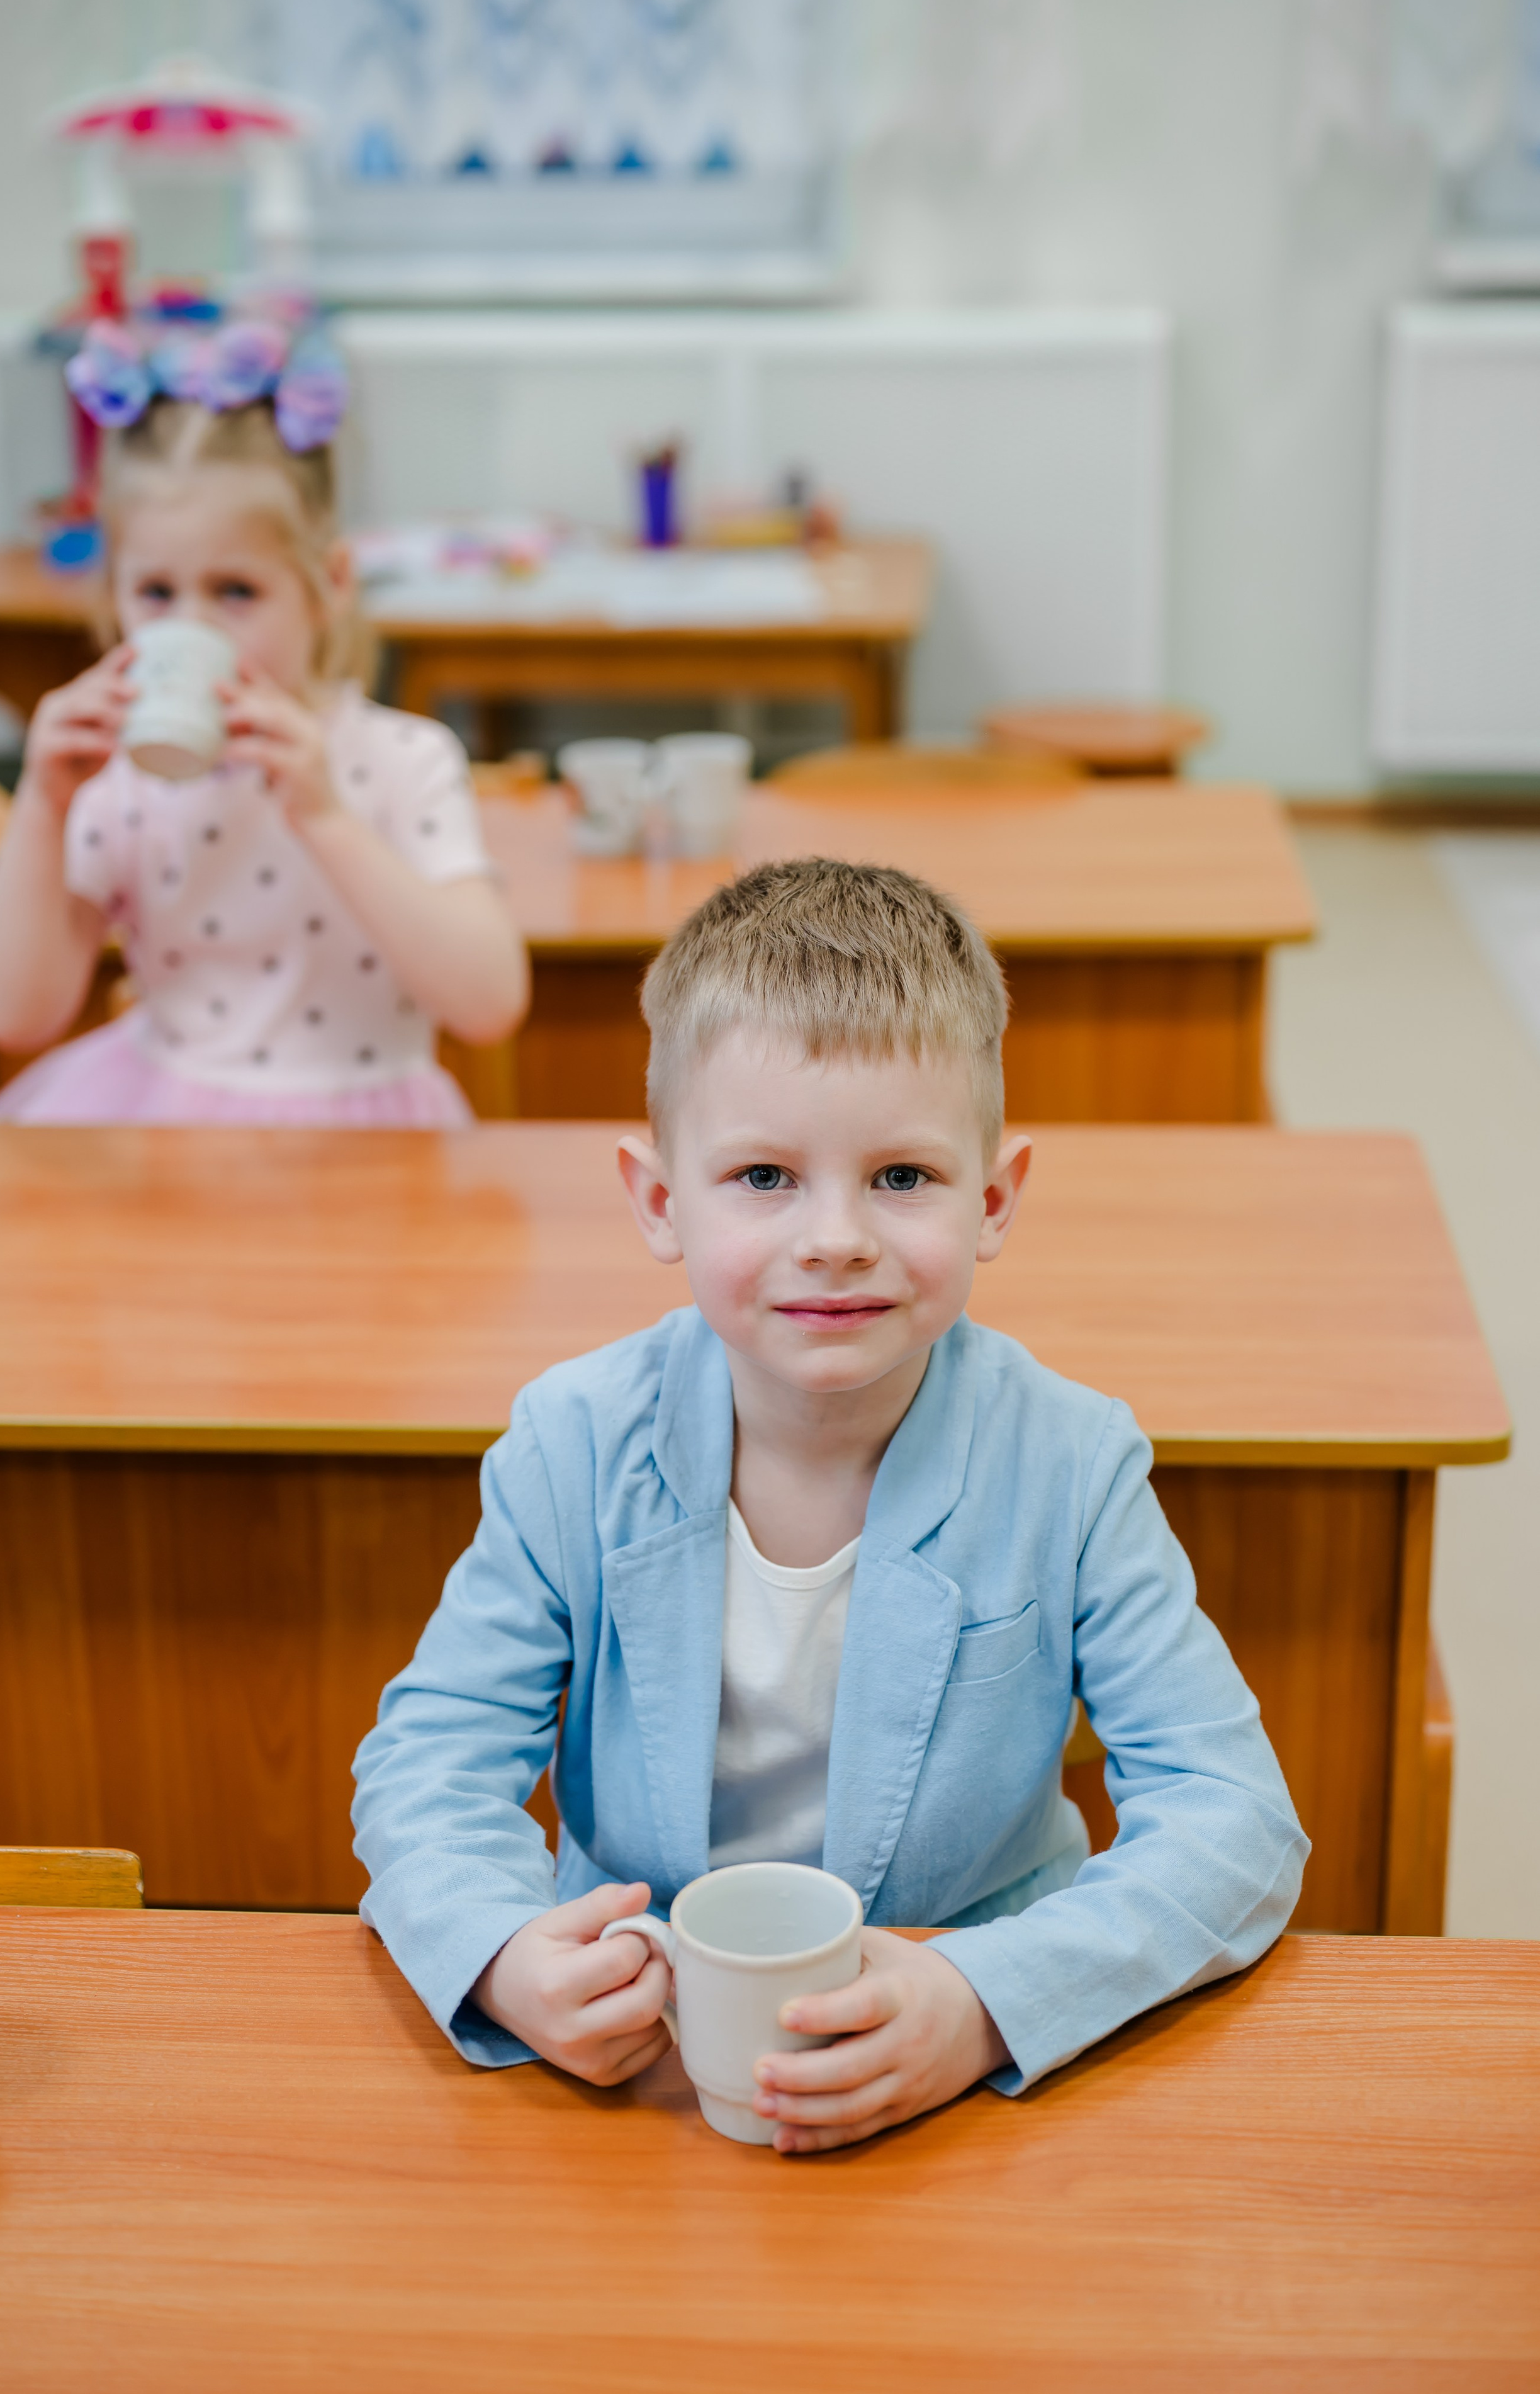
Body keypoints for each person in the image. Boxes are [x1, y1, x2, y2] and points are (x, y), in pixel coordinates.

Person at [352, 859, 1307, 2152]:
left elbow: (1234, 1817)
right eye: (762, 1177)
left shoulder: (1071, 1463)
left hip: (953, 2057)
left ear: (993, 1199)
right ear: (657, 1201)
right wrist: (503, 1951)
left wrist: (984, 2000)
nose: (835, 1236)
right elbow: (432, 1754)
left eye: (902, 1177)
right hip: (638, 2068)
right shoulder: (571, 1443)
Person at [0, 315, 527, 1126]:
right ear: (113, 595)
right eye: (156, 593)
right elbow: (14, 1015)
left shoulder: (406, 759)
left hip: (370, 1134)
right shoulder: (122, 784)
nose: (193, 628)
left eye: (236, 591)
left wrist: (327, 816)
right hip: (161, 1126)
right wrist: (41, 806)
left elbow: (490, 1002)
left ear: (328, 583)